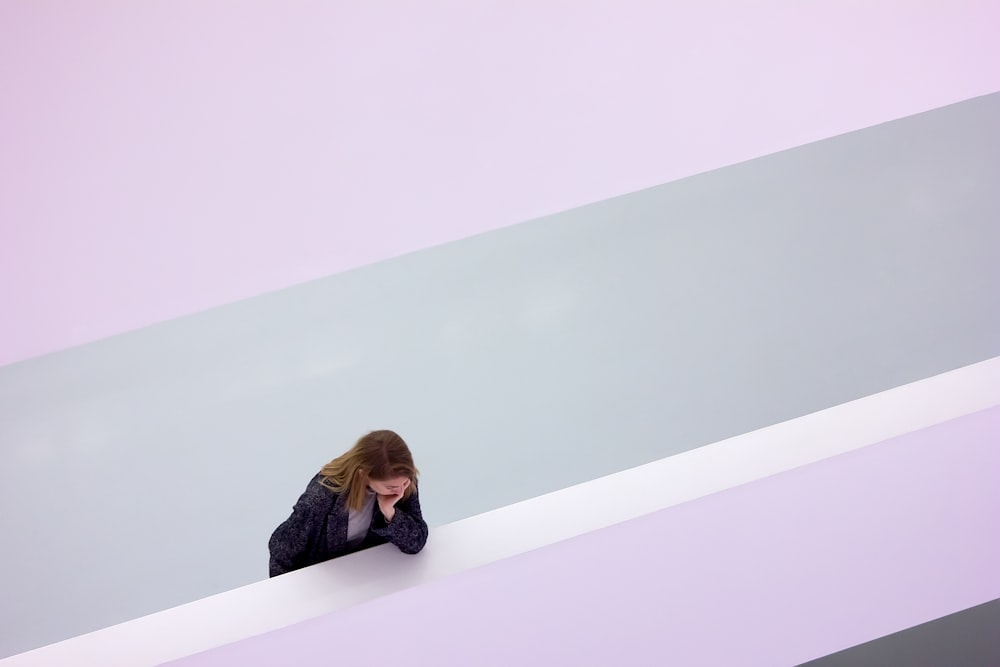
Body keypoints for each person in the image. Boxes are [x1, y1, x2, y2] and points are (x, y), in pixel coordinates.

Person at [268, 429, 429, 577]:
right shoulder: (321, 497)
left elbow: (417, 541)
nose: (400, 492)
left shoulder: (402, 481)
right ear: (363, 474)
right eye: (391, 487)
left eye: (405, 484)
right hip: (324, 583)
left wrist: (390, 513)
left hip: (371, 578)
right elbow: (282, 550)